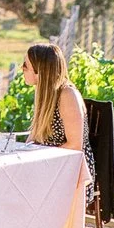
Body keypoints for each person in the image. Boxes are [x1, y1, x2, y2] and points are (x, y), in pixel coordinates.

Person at [24, 41, 87, 170]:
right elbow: (35, 136)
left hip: (67, 169)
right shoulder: (44, 93)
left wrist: (40, 158)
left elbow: (75, 145)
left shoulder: (67, 95)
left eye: (25, 65)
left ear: (39, 70)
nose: (22, 68)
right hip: (48, 165)